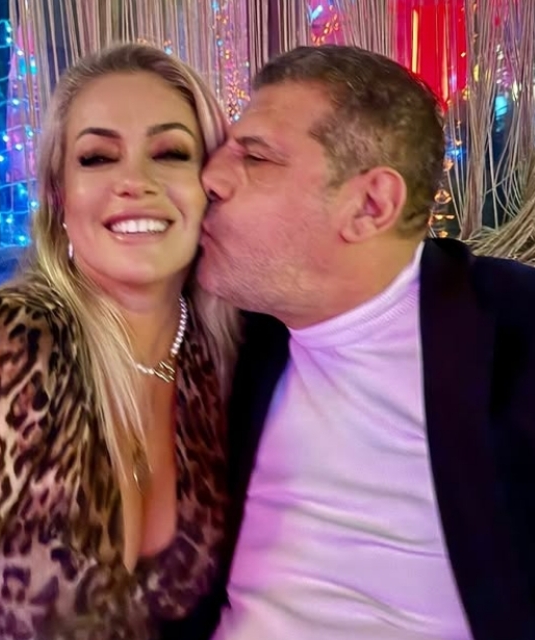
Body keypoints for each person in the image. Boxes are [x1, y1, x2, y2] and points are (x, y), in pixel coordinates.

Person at [195, 44, 535, 640]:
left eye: (257, 156)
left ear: (370, 206)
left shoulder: (515, 329)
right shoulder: (230, 337)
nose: (210, 177)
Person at [0, 42, 238, 640]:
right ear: (58, 197)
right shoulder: (0, 347)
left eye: (170, 153)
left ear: (211, 186)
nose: (135, 182)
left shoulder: (218, 354)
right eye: (97, 158)